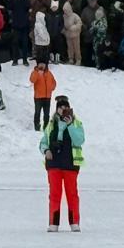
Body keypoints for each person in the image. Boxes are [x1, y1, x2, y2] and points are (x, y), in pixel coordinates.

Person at [39, 95, 84, 232]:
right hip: (54, 164)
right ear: (57, 109)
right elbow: (43, 141)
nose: (63, 110)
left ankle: (74, 222)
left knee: (72, 194)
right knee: (54, 194)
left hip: (70, 163)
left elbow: (79, 141)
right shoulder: (51, 123)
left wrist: (70, 125)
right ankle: (53, 223)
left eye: (65, 107)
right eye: (60, 107)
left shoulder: (76, 123)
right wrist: (46, 150)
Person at [29, 58, 56, 131]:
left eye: (43, 64)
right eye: (40, 64)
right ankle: (36, 126)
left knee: (46, 113)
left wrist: (51, 88)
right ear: (37, 65)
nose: (42, 65)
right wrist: (37, 73)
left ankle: (46, 126)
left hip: (47, 97)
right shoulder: (35, 72)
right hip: (38, 97)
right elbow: (32, 80)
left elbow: (54, 82)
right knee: (37, 112)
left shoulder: (49, 73)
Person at [8, 0, 31, 65]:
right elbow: (9, 7)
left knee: (25, 43)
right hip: (15, 25)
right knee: (15, 43)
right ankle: (15, 60)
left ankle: (25, 59)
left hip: (24, 25)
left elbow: (28, 6)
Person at [62, 1, 83, 67]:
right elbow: (62, 24)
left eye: (66, 10)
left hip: (75, 34)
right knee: (70, 47)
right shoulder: (64, 16)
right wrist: (64, 31)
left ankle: (78, 59)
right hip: (68, 35)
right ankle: (71, 58)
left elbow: (79, 23)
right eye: (64, 10)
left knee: (76, 47)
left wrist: (74, 27)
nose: (65, 11)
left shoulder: (74, 15)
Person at [80, 0, 98, 66]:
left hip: (96, 33)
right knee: (87, 50)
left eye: (93, 1)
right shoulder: (85, 10)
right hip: (87, 33)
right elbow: (81, 21)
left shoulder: (100, 9)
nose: (92, 3)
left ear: (96, 1)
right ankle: (87, 63)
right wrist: (85, 28)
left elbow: (103, 21)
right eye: (90, 1)